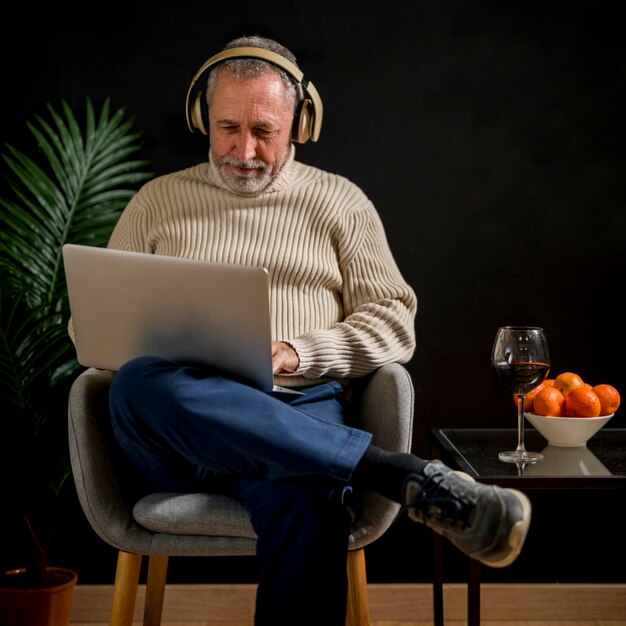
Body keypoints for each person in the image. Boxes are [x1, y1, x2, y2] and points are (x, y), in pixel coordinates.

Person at [95, 35, 531, 625]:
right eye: (227, 127)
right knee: (138, 383)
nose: (243, 150)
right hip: (178, 427)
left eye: (264, 132)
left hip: (301, 410)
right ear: (201, 117)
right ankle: (394, 473)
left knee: (309, 493)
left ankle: (337, 464)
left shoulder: (340, 204)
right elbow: (93, 326)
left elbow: (394, 321)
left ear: (301, 123)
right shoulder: (155, 202)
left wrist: (298, 353)